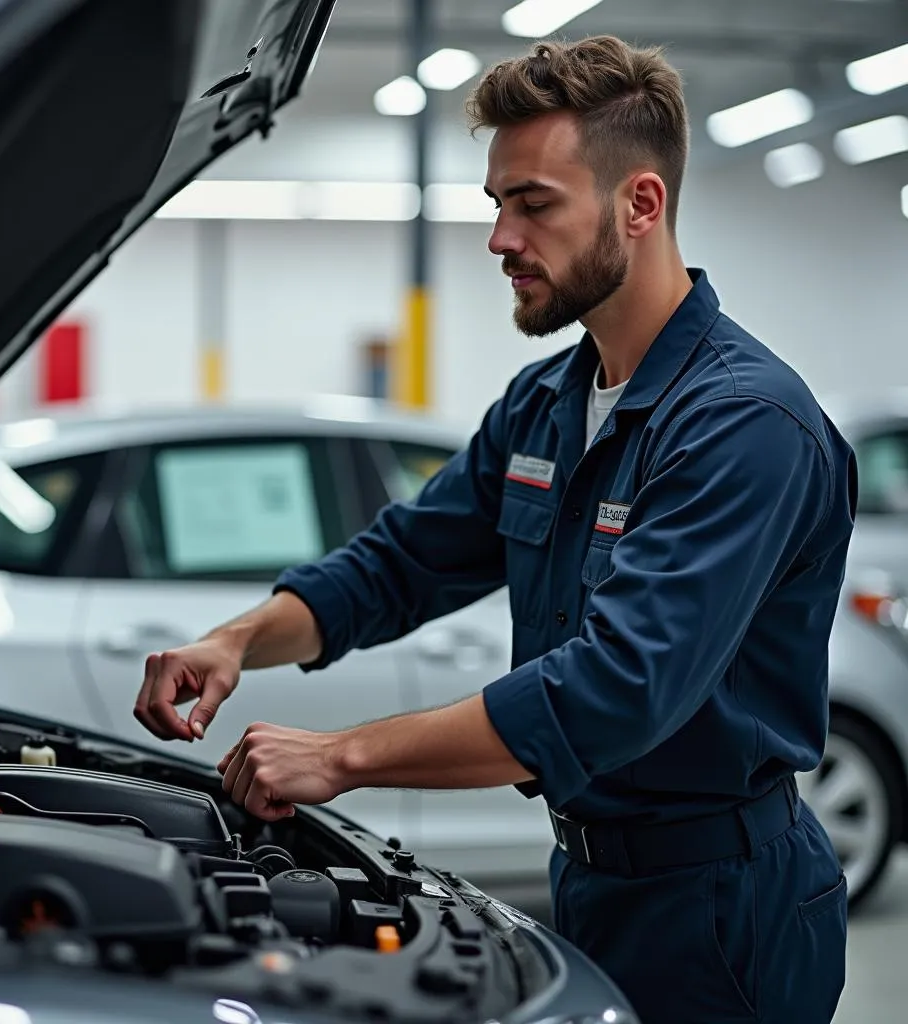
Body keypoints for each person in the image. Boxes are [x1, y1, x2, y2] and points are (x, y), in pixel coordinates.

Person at [134, 35, 856, 1024]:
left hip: (721, 905)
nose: (500, 239)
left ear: (639, 205)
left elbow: (611, 691)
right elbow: (399, 562)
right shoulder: (547, 402)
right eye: (497, 204)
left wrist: (340, 755)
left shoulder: (744, 427)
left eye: (534, 203)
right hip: (587, 878)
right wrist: (238, 641)